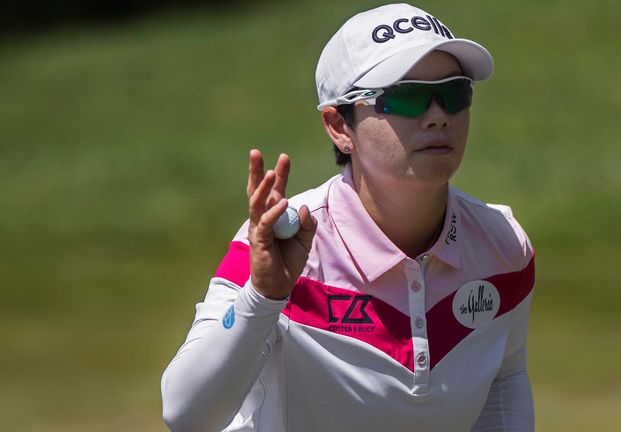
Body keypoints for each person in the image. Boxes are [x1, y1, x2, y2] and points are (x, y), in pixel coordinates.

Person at [161, 3, 535, 431]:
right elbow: (185, 414)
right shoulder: (276, 246)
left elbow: (504, 382)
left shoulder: (504, 245)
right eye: (406, 97)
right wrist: (262, 297)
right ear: (339, 126)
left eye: (454, 94)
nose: (438, 117)